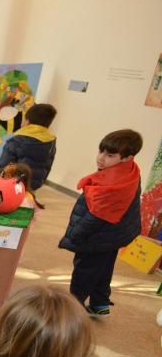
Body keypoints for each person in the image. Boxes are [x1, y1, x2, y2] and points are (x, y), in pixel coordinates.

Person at [59, 129, 143, 317]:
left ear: (127, 157)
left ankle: (73, 310)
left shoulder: (111, 183)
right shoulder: (130, 171)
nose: (101, 158)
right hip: (114, 234)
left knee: (85, 271)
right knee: (103, 268)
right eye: (101, 151)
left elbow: (95, 216)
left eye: (110, 155)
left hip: (98, 236)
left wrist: (75, 235)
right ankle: (100, 303)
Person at [0, 103, 57, 209]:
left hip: (9, 187)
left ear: (27, 121)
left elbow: (4, 164)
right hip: (31, 187)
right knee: (24, 211)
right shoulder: (50, 142)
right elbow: (48, 165)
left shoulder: (17, 140)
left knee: (5, 210)